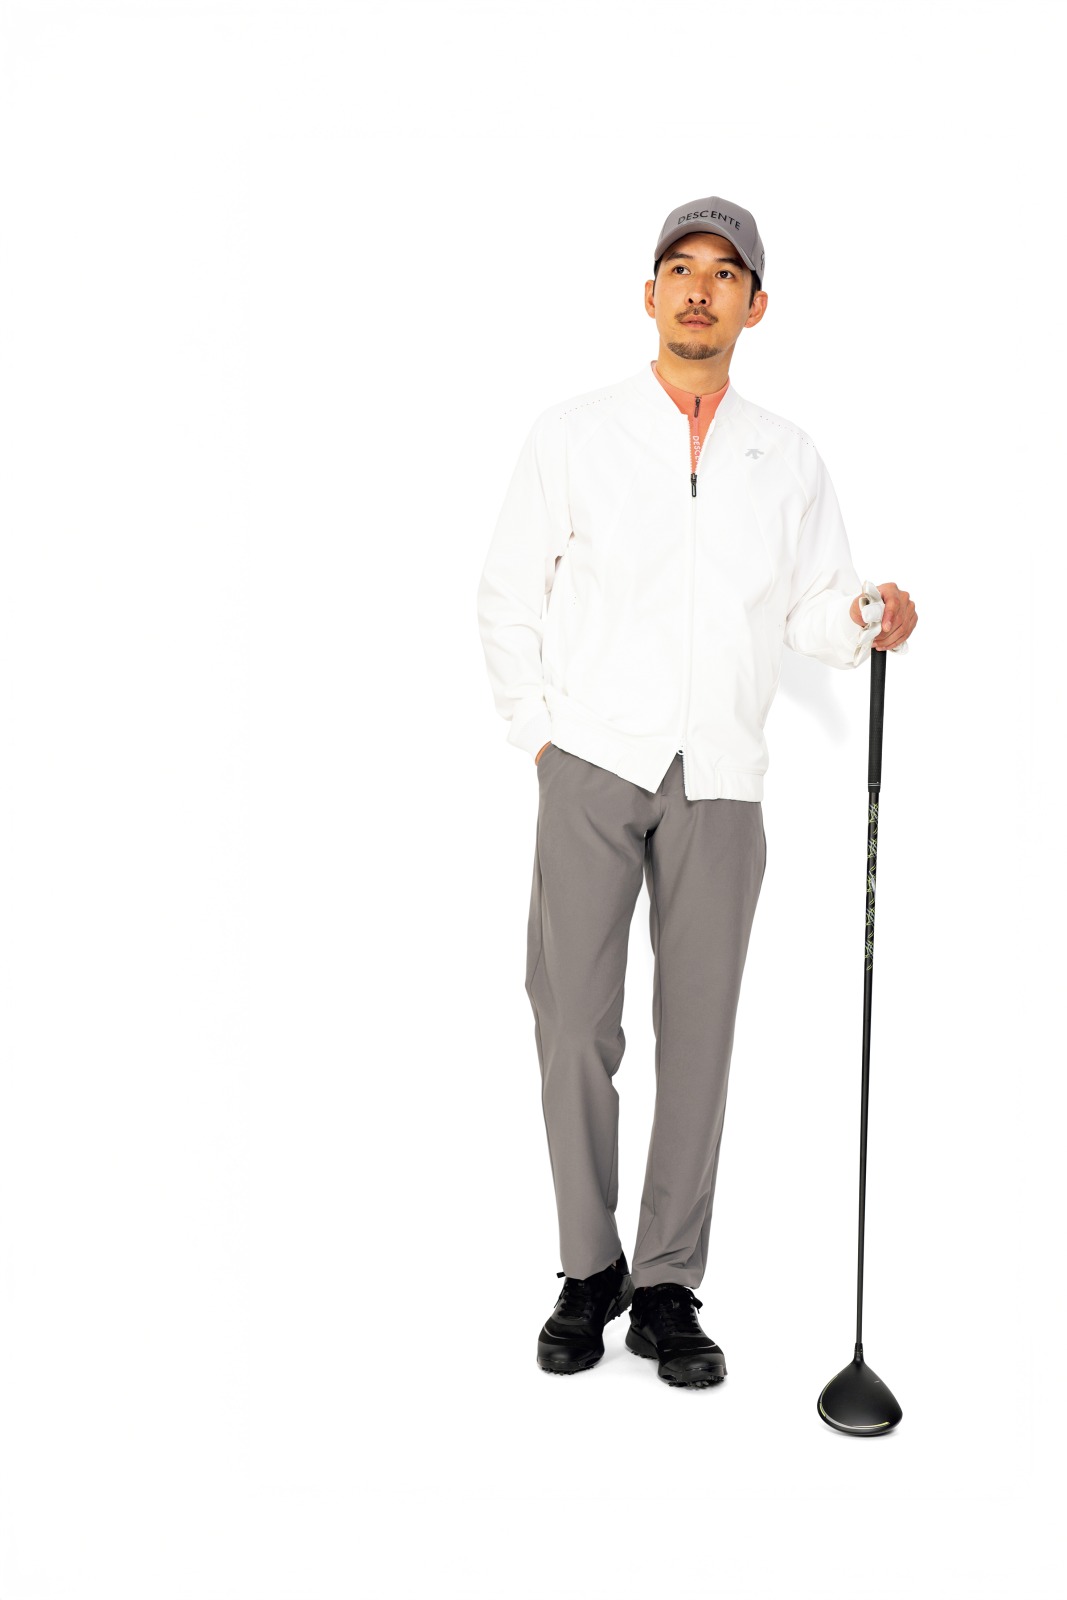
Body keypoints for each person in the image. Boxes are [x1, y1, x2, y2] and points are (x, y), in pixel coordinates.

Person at [475, 194, 918, 1390]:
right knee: (572, 1021)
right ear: (648, 292)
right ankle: (588, 1266)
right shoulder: (573, 433)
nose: (698, 289)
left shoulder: (786, 455)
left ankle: (666, 1284)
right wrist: (540, 738)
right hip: (591, 761)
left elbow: (811, 610)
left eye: (724, 274)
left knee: (700, 1031)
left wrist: (863, 613)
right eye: (680, 268)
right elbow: (507, 591)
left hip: (720, 774)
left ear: (753, 306)